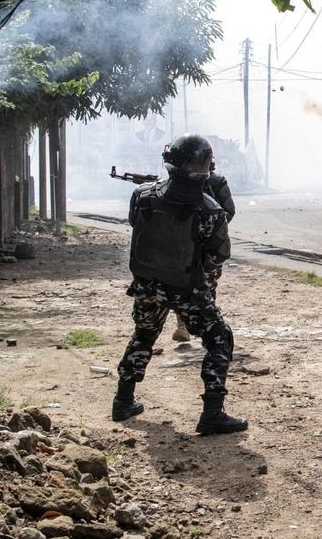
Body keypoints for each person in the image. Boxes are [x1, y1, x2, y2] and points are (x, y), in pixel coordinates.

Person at [112, 133, 248, 435]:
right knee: (219, 339)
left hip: (147, 284)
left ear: (169, 160)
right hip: (187, 287)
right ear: (206, 167)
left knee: (143, 336)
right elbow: (218, 256)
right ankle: (212, 413)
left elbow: (138, 227)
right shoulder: (210, 210)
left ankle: (123, 400)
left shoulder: (143, 195)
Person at [172, 167, 236, 343]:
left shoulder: (216, 182)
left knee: (207, 286)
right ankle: (183, 326)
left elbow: (229, 211)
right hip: (185, 243)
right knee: (180, 285)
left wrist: (209, 224)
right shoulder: (177, 182)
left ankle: (209, 327)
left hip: (209, 245)